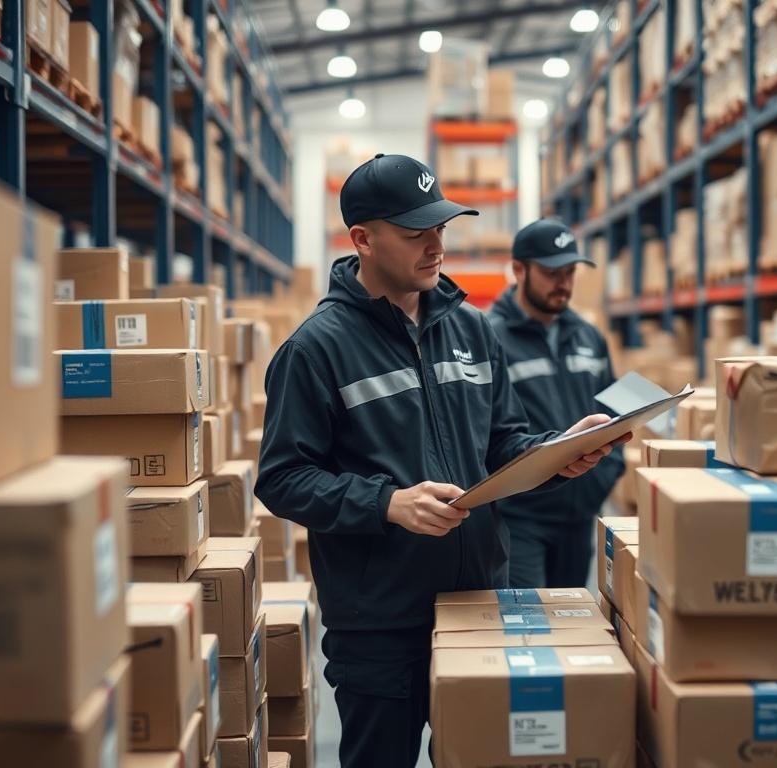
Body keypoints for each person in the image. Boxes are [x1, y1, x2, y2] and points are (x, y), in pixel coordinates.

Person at [255, 154, 628, 768]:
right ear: (362, 240)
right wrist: (388, 503)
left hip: (479, 600)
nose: (436, 247)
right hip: (381, 624)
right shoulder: (315, 350)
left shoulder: (475, 332)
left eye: (442, 229)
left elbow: (502, 439)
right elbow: (283, 478)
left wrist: (557, 452)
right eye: (415, 233)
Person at [488, 218, 625, 589]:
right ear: (519, 270)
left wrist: (606, 474)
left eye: (570, 272)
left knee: (571, 624)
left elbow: (613, 410)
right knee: (528, 628)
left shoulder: (588, 336)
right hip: (521, 520)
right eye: (551, 273)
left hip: (580, 517)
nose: (564, 283)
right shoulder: (489, 339)